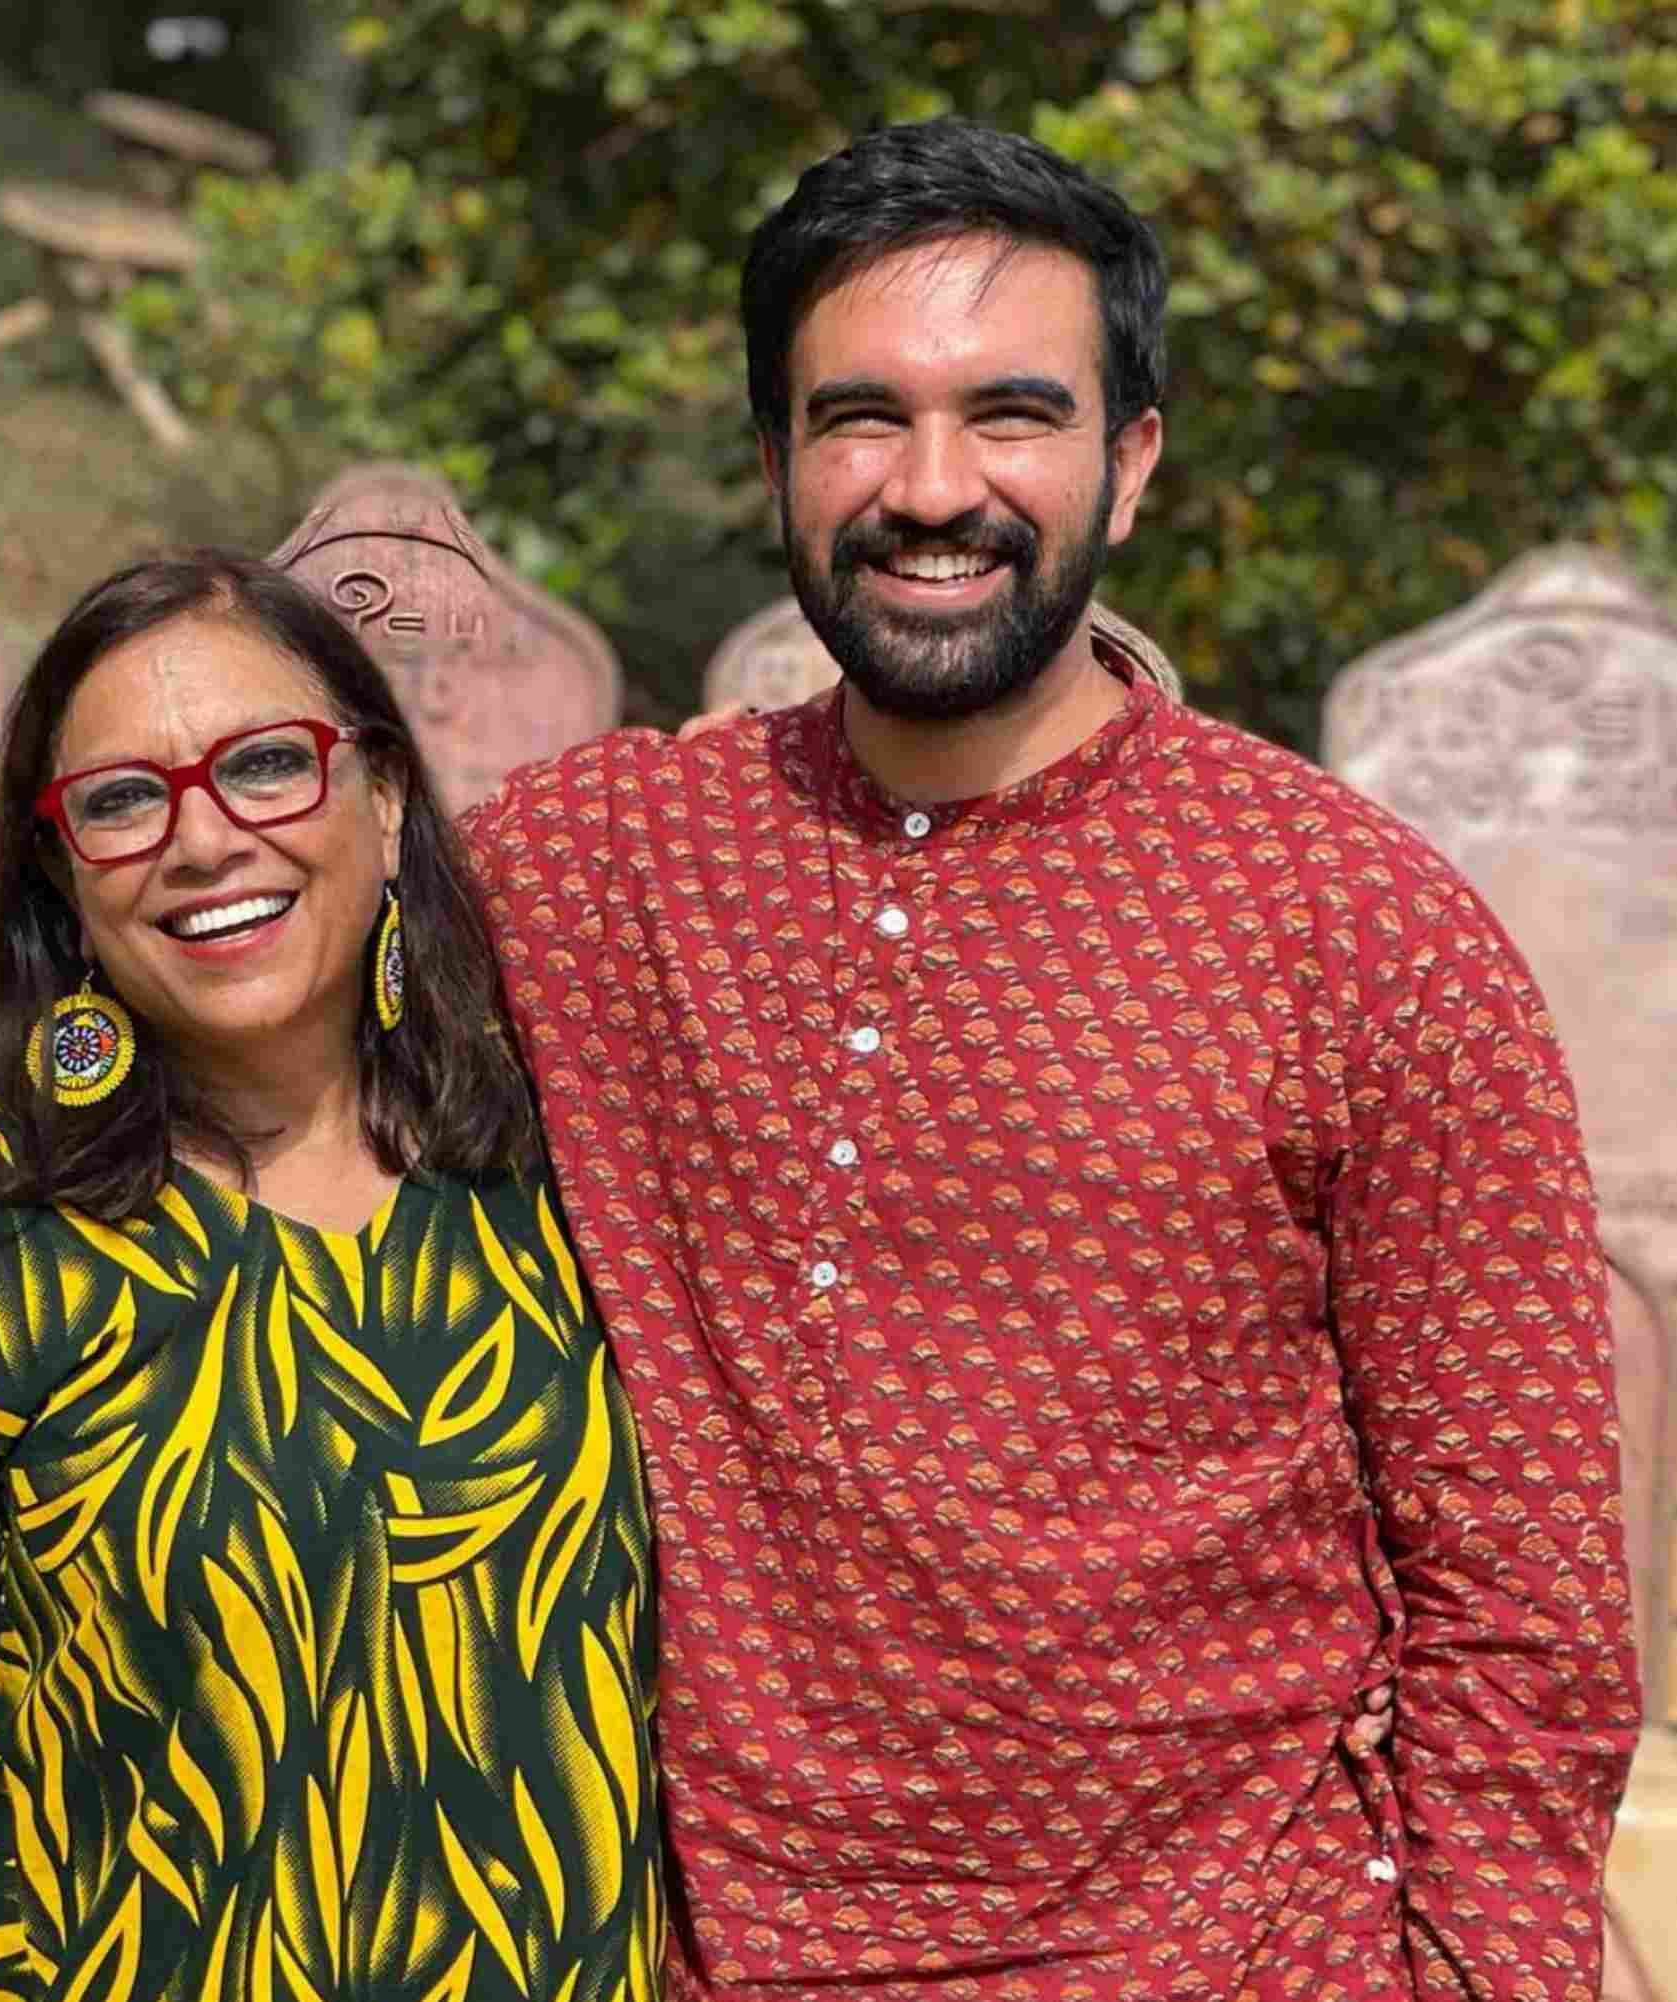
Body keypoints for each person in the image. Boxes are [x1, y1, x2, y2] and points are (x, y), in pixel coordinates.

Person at [462, 120, 1643, 1996]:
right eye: (860, 418)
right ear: (773, 461)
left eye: (1011, 413)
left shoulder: (1354, 932)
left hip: (1239, 1958)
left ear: (1132, 458)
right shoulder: (601, 865)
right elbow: (224, 884)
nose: (933, 487)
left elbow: (1525, 1613)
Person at [0, 552, 665, 2002]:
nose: (201, 841)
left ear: (382, 799)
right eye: (122, 800)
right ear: (64, 882)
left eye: (267, 764)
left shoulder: (556, 1172)